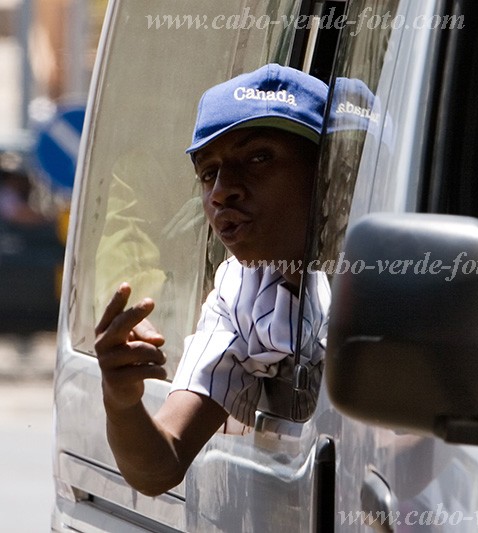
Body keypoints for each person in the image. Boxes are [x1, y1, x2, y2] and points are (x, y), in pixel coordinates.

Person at [93, 64, 330, 496]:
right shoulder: (241, 287)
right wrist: (121, 400)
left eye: (258, 158)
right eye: (208, 173)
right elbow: (160, 466)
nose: (222, 191)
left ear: (328, 175)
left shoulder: (380, 270)